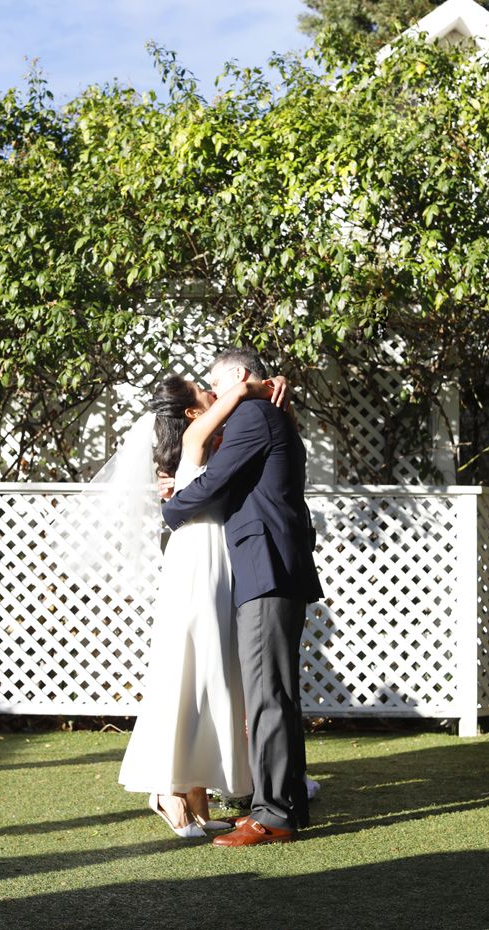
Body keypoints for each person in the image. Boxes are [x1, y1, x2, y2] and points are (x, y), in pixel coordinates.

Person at [162, 347, 324, 847]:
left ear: (238, 376)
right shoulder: (267, 412)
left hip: (266, 567)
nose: (217, 395)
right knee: (275, 693)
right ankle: (286, 801)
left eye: (219, 383)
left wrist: (171, 508)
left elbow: (214, 482)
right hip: (273, 565)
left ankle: (274, 815)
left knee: (268, 695)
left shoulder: (254, 414)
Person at [117, 370, 288, 837]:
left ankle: (195, 788)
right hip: (195, 562)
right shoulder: (196, 437)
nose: (213, 392)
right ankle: (166, 788)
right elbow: (232, 398)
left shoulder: (212, 448)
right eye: (204, 391)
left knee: (214, 671)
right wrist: (254, 385)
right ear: (194, 412)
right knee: (188, 668)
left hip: (220, 563)